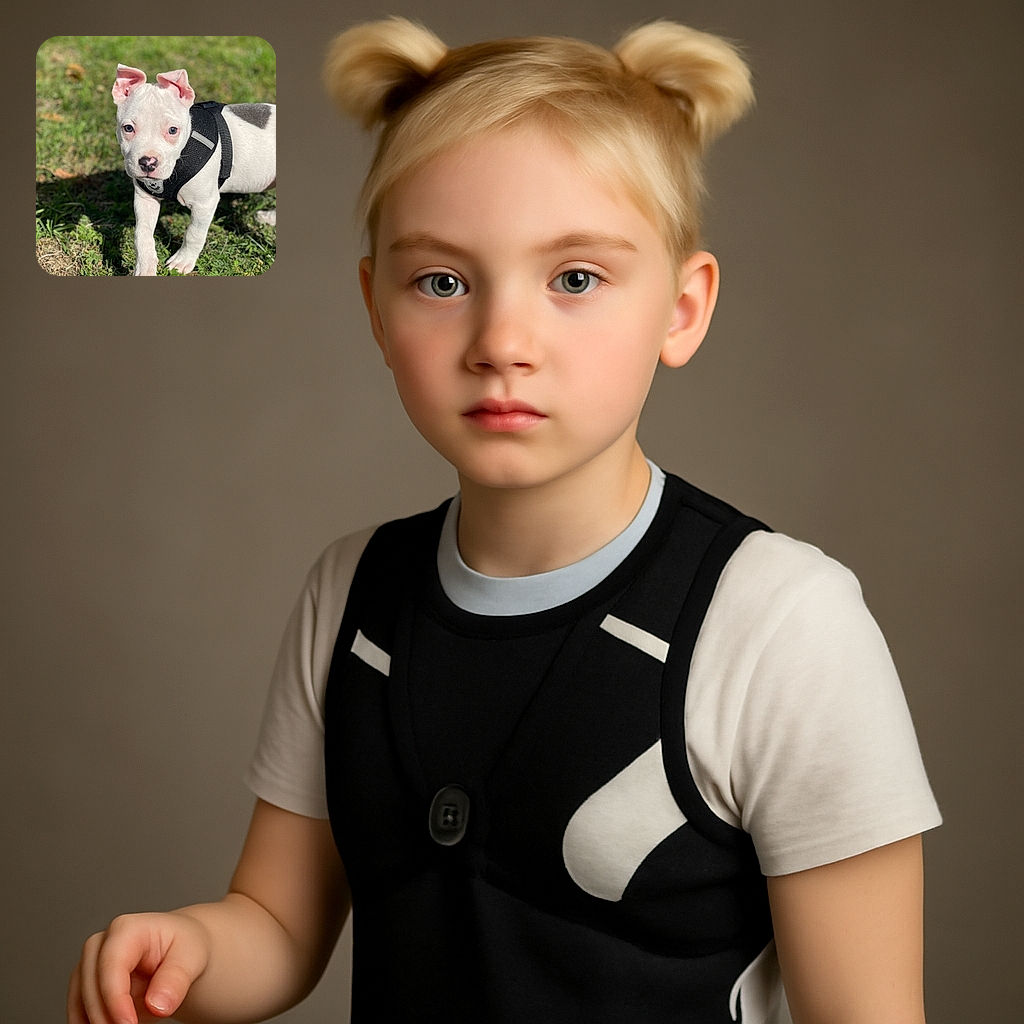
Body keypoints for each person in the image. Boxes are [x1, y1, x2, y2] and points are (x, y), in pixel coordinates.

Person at [68, 17, 941, 1024]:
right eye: (442, 281)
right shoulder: (354, 591)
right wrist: (187, 951)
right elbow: (277, 922)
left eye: (574, 278)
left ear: (681, 307)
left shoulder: (785, 624)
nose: (501, 341)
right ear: (374, 304)